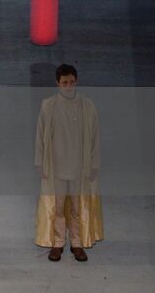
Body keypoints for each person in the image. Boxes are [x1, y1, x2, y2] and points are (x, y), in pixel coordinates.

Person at [35, 63, 103, 261]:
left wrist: (94, 164)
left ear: (77, 81)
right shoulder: (48, 106)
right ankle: (57, 244)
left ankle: (77, 243)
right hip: (55, 167)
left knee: (76, 207)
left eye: (72, 82)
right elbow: (40, 136)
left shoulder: (87, 106)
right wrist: (40, 162)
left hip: (79, 168)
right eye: (64, 82)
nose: (69, 86)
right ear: (58, 83)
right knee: (56, 208)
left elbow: (95, 138)